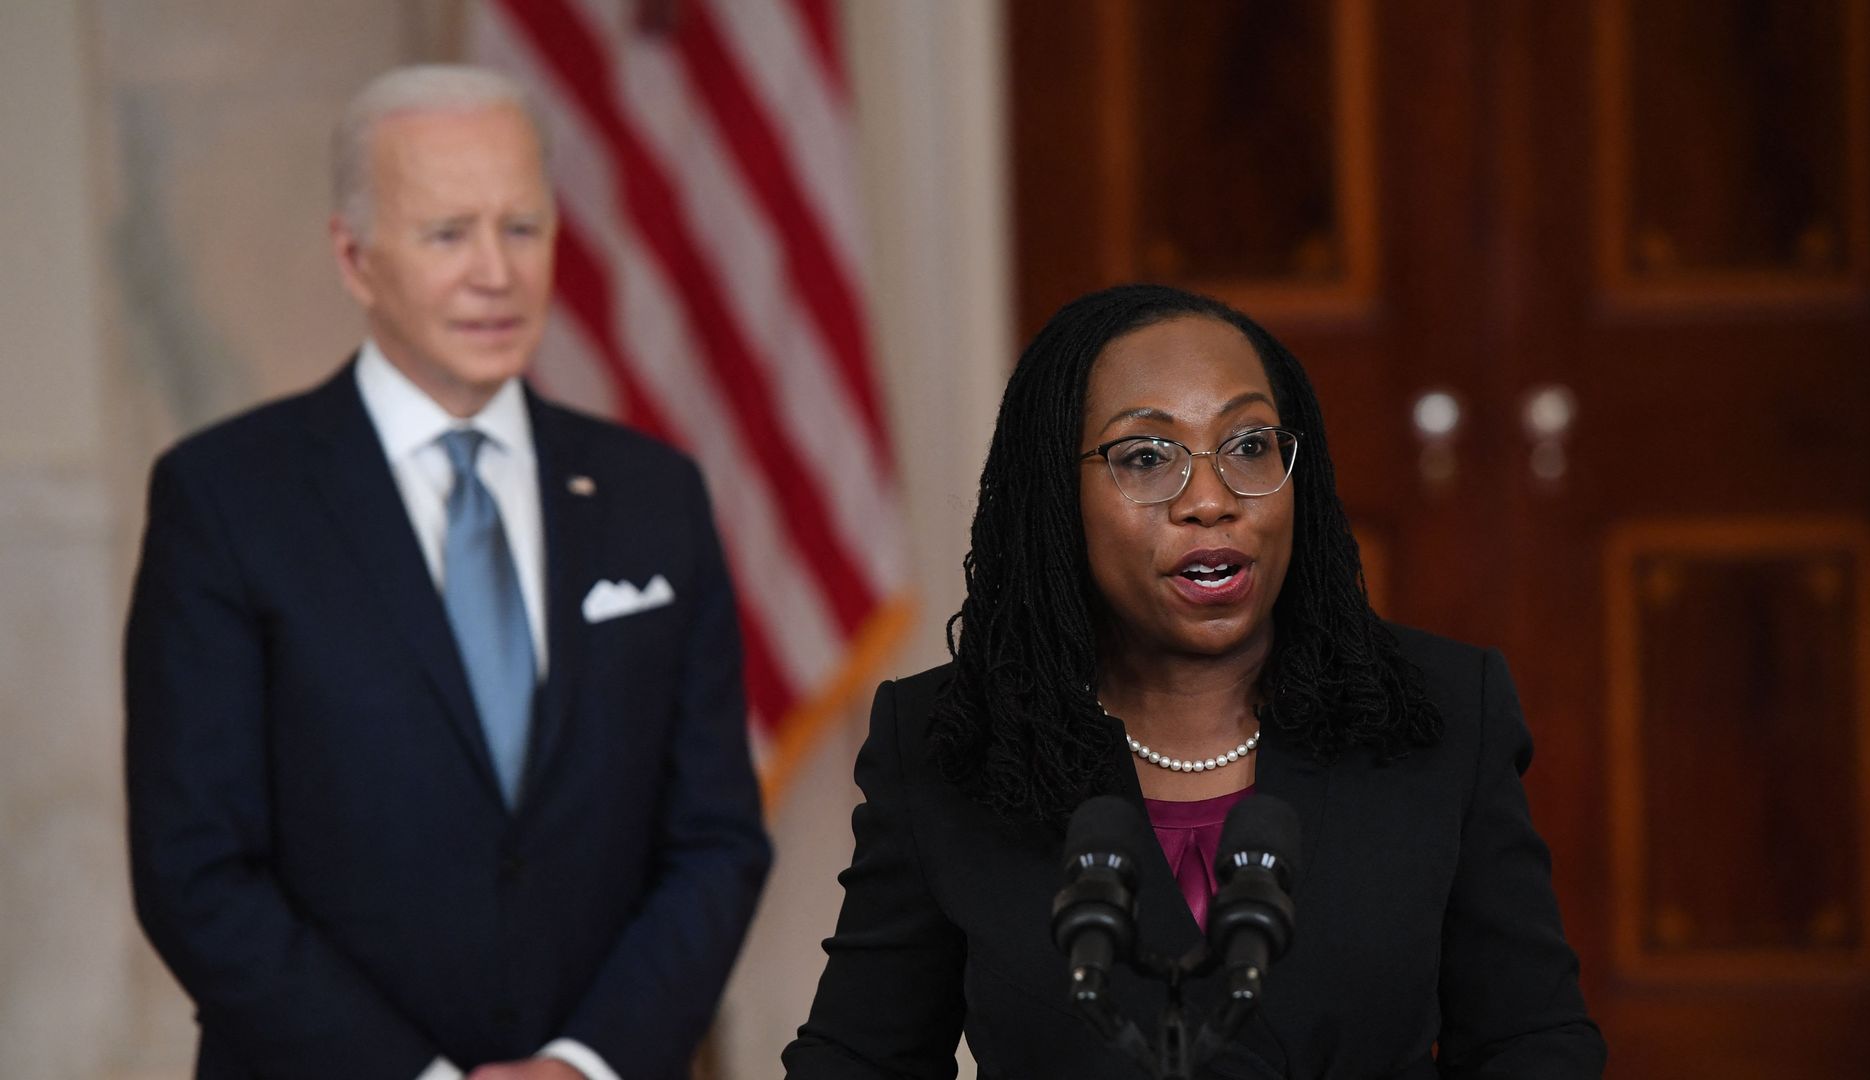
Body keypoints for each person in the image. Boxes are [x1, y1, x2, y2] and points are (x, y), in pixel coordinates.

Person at [125, 65, 769, 1080]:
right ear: (354, 256)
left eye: (523, 227)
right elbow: (196, 872)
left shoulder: (656, 496)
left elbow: (717, 839)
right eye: (446, 234)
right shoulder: (225, 502)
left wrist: (582, 1064)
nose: (496, 273)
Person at [783, 284, 1605, 1078]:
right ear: (1055, 499)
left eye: (1249, 446)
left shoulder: (1445, 713)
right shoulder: (946, 745)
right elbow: (862, 1058)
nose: (1210, 500)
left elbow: (1530, 1045)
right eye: (1145, 457)